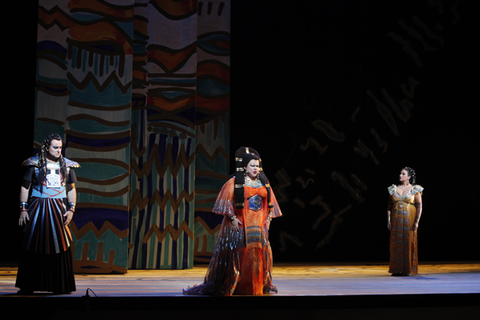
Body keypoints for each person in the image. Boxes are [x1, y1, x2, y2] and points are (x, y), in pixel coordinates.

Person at [183, 147, 282, 295]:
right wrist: (233, 218)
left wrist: (268, 219)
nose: (256, 168)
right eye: (252, 165)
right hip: (242, 223)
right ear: (245, 167)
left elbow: (271, 203)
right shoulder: (234, 182)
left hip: (258, 224)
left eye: (257, 166)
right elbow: (225, 202)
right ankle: (238, 285)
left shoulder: (263, 183)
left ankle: (256, 287)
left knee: (259, 254)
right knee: (240, 254)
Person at [16, 133, 79, 294]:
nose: (59, 150)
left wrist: (71, 209)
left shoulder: (67, 165)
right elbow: (25, 187)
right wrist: (23, 209)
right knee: (34, 243)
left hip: (58, 209)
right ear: (46, 147)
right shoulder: (35, 164)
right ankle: (29, 285)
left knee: (59, 245)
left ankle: (59, 285)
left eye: (60, 147)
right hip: (38, 209)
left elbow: (71, 189)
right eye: (55, 147)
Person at [387, 167, 423, 276]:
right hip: (396, 219)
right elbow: (389, 206)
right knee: (396, 243)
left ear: (409, 177)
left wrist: (417, 221)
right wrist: (388, 220)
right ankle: (396, 269)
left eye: (403, 174)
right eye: (400, 173)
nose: (400, 175)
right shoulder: (394, 189)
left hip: (409, 219)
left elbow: (419, 206)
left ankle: (407, 269)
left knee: (408, 242)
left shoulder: (415, 189)